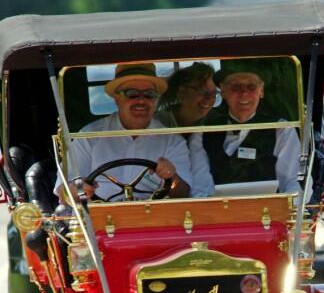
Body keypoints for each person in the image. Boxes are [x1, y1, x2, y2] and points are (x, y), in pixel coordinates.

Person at [57, 63, 192, 202]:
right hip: (98, 217)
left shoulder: (172, 140)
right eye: (132, 94)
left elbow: (184, 193)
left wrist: (172, 176)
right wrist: (80, 189)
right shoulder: (89, 136)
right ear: (117, 98)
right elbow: (63, 191)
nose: (141, 100)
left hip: (153, 216)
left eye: (149, 94)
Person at [200, 60, 301, 194]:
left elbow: (292, 182)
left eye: (251, 86)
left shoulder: (281, 129)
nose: (244, 93)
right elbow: (200, 186)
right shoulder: (204, 131)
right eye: (235, 87)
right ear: (223, 91)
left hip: (269, 212)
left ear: (261, 91)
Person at [157, 62, 216, 196]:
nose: (210, 99)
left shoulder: (214, 126)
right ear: (182, 91)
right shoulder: (158, 124)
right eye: (203, 92)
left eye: (214, 93)